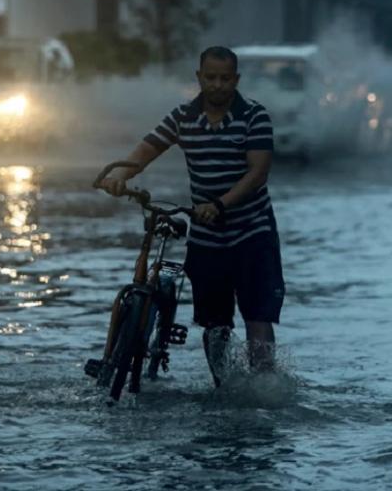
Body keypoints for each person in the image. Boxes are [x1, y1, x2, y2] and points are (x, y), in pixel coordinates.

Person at [98, 46, 286, 386]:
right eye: (210, 77)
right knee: (215, 324)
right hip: (206, 236)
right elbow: (148, 148)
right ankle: (224, 387)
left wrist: (220, 204)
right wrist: (121, 176)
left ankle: (264, 388)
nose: (217, 85)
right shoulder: (183, 116)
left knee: (257, 317)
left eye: (225, 78)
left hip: (252, 232)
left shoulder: (254, 116)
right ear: (199, 78)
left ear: (236, 80)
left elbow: (257, 172)